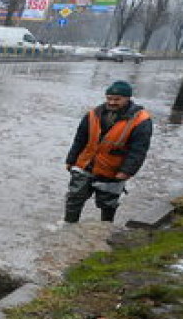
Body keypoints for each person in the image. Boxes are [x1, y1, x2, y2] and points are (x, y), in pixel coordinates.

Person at [64, 80, 153, 224]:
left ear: (128, 98)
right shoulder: (93, 114)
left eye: (117, 99)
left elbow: (139, 150)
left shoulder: (141, 121)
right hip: (85, 165)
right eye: (109, 98)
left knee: (108, 205)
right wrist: (70, 160)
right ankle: (68, 226)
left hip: (113, 171)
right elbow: (80, 139)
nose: (111, 102)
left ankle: (105, 231)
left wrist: (126, 171)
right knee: (74, 199)